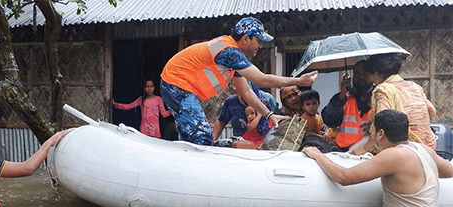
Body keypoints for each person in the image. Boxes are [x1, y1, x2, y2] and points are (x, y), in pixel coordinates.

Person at [160, 17, 318, 145]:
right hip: (176, 85)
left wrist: (269, 115)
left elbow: (247, 92)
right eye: (258, 41)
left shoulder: (232, 59)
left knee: (191, 137)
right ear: (245, 39)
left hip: (178, 86)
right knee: (201, 137)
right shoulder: (230, 52)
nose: (261, 46)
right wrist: (299, 80)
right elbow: (260, 79)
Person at [302, 110, 452, 207]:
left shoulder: (393, 155)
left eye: (371, 131)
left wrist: (317, 154)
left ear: (381, 134)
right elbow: (449, 171)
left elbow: (344, 178)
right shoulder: (423, 150)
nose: (370, 135)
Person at [366, 53, 437, 150]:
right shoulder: (415, 86)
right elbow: (432, 111)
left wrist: (363, 149)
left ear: (377, 75)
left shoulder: (383, 90)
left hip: (408, 149)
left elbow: (381, 124)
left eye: (369, 75)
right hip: (429, 146)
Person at [321, 60, 374, 152]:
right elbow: (329, 121)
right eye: (357, 74)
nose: (361, 77)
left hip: (370, 152)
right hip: (344, 152)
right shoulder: (344, 98)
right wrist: (341, 95)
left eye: (365, 73)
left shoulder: (379, 98)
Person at [212, 82, 278, 143]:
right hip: (240, 145)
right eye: (233, 84)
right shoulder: (231, 102)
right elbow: (221, 121)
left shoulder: (267, 99)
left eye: (237, 84)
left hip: (265, 148)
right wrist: (211, 142)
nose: (234, 88)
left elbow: (278, 123)